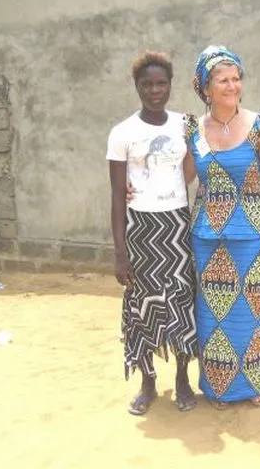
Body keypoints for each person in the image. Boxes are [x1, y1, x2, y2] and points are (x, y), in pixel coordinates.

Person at [184, 45, 260, 409]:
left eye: (236, 78)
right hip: (206, 238)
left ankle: (256, 381)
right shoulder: (193, 131)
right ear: (205, 88)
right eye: (223, 80)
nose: (232, 86)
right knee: (213, 315)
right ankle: (220, 388)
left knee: (250, 311)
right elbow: (181, 177)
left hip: (251, 236)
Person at [107, 50, 198, 416]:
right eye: (147, 84)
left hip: (177, 226)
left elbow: (189, 173)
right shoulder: (122, 133)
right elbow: (117, 195)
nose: (155, 91)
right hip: (140, 230)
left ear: (170, 85)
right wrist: (120, 253)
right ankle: (147, 381)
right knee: (141, 307)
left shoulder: (185, 125)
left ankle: (182, 378)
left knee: (181, 303)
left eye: (161, 84)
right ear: (137, 86)